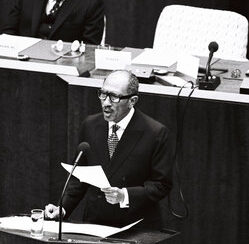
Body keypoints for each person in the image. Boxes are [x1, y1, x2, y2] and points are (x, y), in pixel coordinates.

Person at [45, 69, 173, 228]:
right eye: (103, 94)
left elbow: (161, 184)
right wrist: (62, 208)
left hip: (135, 227)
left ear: (132, 101)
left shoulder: (155, 133)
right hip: (95, 223)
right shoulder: (90, 125)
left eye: (114, 97)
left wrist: (124, 195)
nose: (106, 102)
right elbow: (79, 178)